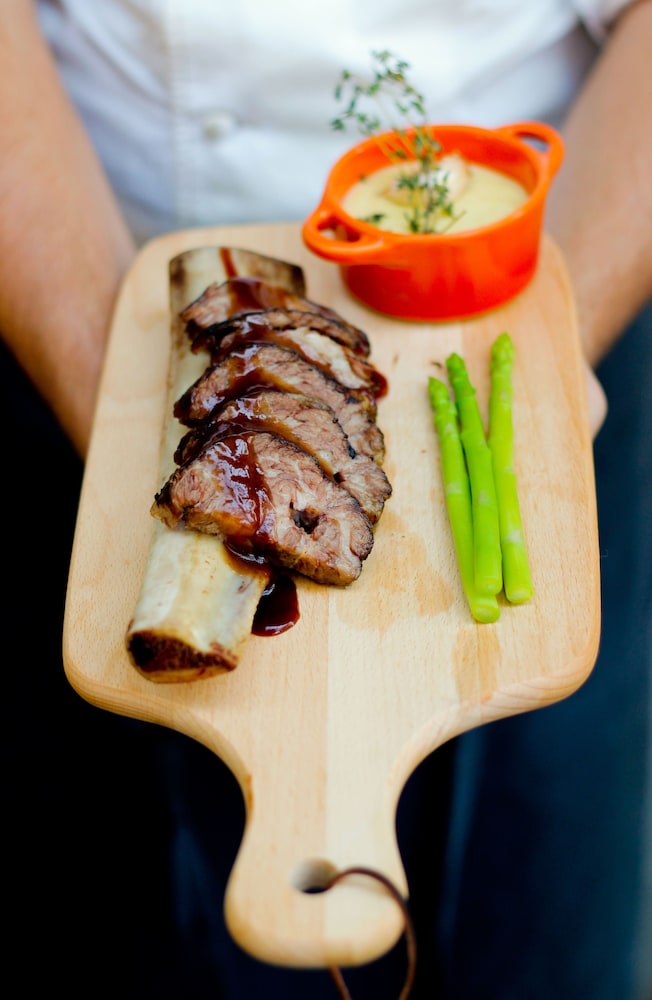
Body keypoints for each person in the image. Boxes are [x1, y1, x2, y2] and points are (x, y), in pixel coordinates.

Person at [2, 1, 650, 997]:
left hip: (535, 273)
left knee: (546, 916)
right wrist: (141, 431)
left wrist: (543, 377)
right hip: (89, 278)